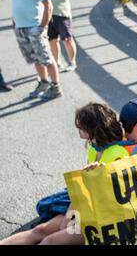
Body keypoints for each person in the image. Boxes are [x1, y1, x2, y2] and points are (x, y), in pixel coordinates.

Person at [0, 103, 128, 245]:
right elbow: (85, 187)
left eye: (81, 127)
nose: (78, 129)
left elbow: (118, 193)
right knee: (40, 230)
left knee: (50, 240)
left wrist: (105, 172)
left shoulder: (118, 153)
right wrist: (72, 212)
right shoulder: (93, 146)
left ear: (93, 128)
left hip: (103, 215)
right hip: (85, 203)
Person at [10, 0, 62, 100]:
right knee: (34, 58)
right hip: (20, 28)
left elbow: (48, 6)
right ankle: (44, 82)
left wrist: (42, 27)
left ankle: (56, 87)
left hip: (35, 27)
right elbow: (16, 4)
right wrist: (14, 23)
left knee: (47, 58)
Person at [37, 0, 77, 72]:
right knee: (52, 40)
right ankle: (57, 62)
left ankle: (72, 62)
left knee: (67, 39)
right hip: (47, 15)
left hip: (62, 13)